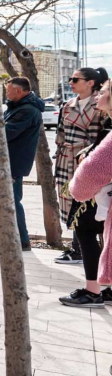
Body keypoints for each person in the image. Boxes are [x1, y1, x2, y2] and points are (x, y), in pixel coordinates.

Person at [0, 77, 44, 250]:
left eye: (8, 91)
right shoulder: (17, 107)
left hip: (14, 161)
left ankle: (23, 240)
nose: (6, 93)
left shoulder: (28, 110)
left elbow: (7, 132)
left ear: (18, 91)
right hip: (6, 160)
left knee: (13, 201)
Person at [55, 68, 110, 265]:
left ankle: (86, 251)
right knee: (70, 201)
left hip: (90, 160)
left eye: (75, 79)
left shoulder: (102, 103)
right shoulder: (68, 105)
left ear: (90, 83)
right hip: (67, 158)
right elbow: (60, 134)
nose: (71, 82)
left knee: (88, 205)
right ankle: (77, 248)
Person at [67, 79, 112, 307]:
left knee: (84, 230)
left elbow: (93, 171)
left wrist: (77, 188)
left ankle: (92, 291)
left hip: (101, 194)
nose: (97, 95)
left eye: (102, 92)